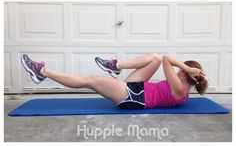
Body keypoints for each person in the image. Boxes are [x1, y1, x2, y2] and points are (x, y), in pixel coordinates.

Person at [21, 53, 208, 110]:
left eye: (181, 69)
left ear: (185, 73)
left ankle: (42, 72)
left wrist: (187, 68)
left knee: (90, 80)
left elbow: (168, 59)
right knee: (155, 59)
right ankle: (116, 66)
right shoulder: (183, 89)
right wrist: (189, 70)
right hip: (139, 89)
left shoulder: (178, 87)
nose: (177, 71)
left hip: (134, 96)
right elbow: (162, 60)